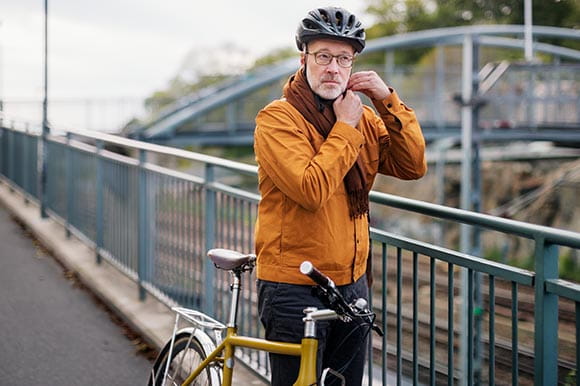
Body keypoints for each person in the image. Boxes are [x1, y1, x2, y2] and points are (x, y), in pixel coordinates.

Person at [253, 6, 427, 385]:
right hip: (294, 288)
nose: (333, 68)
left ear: (353, 65)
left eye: (343, 59)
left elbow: (412, 164)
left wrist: (386, 100)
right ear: (304, 60)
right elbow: (310, 189)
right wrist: (346, 127)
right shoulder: (278, 119)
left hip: (351, 285)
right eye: (324, 57)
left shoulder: (362, 115)